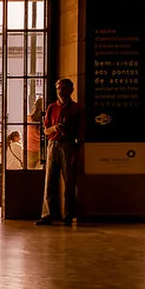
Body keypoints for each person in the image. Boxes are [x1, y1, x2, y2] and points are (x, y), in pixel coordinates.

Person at [36, 78, 81, 225]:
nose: (61, 91)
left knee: (69, 182)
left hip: (68, 145)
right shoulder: (51, 108)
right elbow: (46, 130)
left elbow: (81, 130)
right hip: (52, 144)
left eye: (64, 88)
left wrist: (77, 149)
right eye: (58, 88)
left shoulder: (76, 108)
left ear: (71, 90)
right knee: (49, 181)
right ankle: (48, 214)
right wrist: (55, 128)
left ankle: (68, 214)